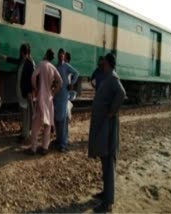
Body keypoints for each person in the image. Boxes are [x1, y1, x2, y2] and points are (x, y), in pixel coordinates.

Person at [88, 53, 126, 213]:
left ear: (108, 63)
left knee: (108, 160)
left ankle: (108, 203)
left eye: (103, 62)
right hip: (103, 125)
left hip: (108, 126)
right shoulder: (107, 76)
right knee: (104, 158)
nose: (101, 64)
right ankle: (106, 193)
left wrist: (111, 112)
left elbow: (122, 93)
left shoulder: (113, 78)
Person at [26, 49, 63, 155]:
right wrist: (54, 92)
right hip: (49, 98)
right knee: (47, 124)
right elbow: (60, 82)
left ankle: (33, 148)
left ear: (46, 54)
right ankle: (44, 148)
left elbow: (33, 76)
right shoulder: (53, 67)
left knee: (35, 124)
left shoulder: (41, 64)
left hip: (41, 97)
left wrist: (36, 87)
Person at [0, 43, 35, 143]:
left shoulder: (29, 63)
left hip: (26, 93)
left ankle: (25, 136)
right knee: (23, 114)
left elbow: (31, 79)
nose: (19, 52)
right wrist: (6, 58)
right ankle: (24, 132)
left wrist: (29, 92)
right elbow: (15, 61)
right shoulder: (23, 61)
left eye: (20, 50)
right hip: (21, 93)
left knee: (26, 115)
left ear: (23, 51)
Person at [53, 48, 79, 152]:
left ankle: (63, 144)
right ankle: (58, 139)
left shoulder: (66, 66)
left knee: (63, 118)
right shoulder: (55, 67)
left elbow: (76, 73)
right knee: (57, 118)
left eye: (62, 55)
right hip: (56, 95)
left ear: (64, 56)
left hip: (63, 95)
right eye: (59, 55)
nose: (60, 57)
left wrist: (72, 83)